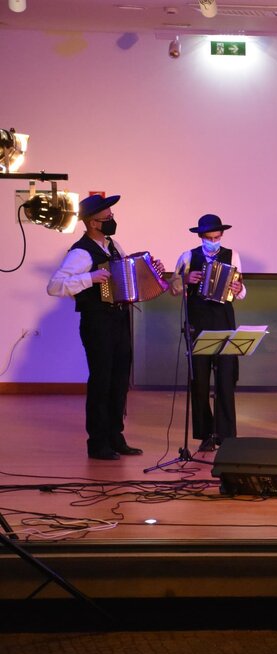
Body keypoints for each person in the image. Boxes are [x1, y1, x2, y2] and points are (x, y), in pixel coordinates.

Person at [46, 193, 164, 460]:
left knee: (120, 379)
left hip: (119, 318)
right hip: (97, 321)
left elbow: (126, 276)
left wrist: (153, 270)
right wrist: (90, 277)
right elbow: (54, 286)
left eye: (112, 217)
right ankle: (97, 442)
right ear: (92, 223)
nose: (112, 220)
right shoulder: (80, 252)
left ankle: (115, 436)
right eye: (107, 218)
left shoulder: (114, 245)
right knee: (101, 381)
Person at [171, 214, 246, 453]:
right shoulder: (187, 256)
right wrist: (185, 279)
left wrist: (238, 288)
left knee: (225, 379)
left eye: (217, 237)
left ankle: (226, 435)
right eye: (209, 238)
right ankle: (204, 434)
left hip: (223, 320)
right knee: (200, 381)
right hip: (198, 322)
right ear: (201, 237)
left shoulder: (232, 255)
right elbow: (173, 288)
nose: (213, 241)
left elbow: (240, 290)